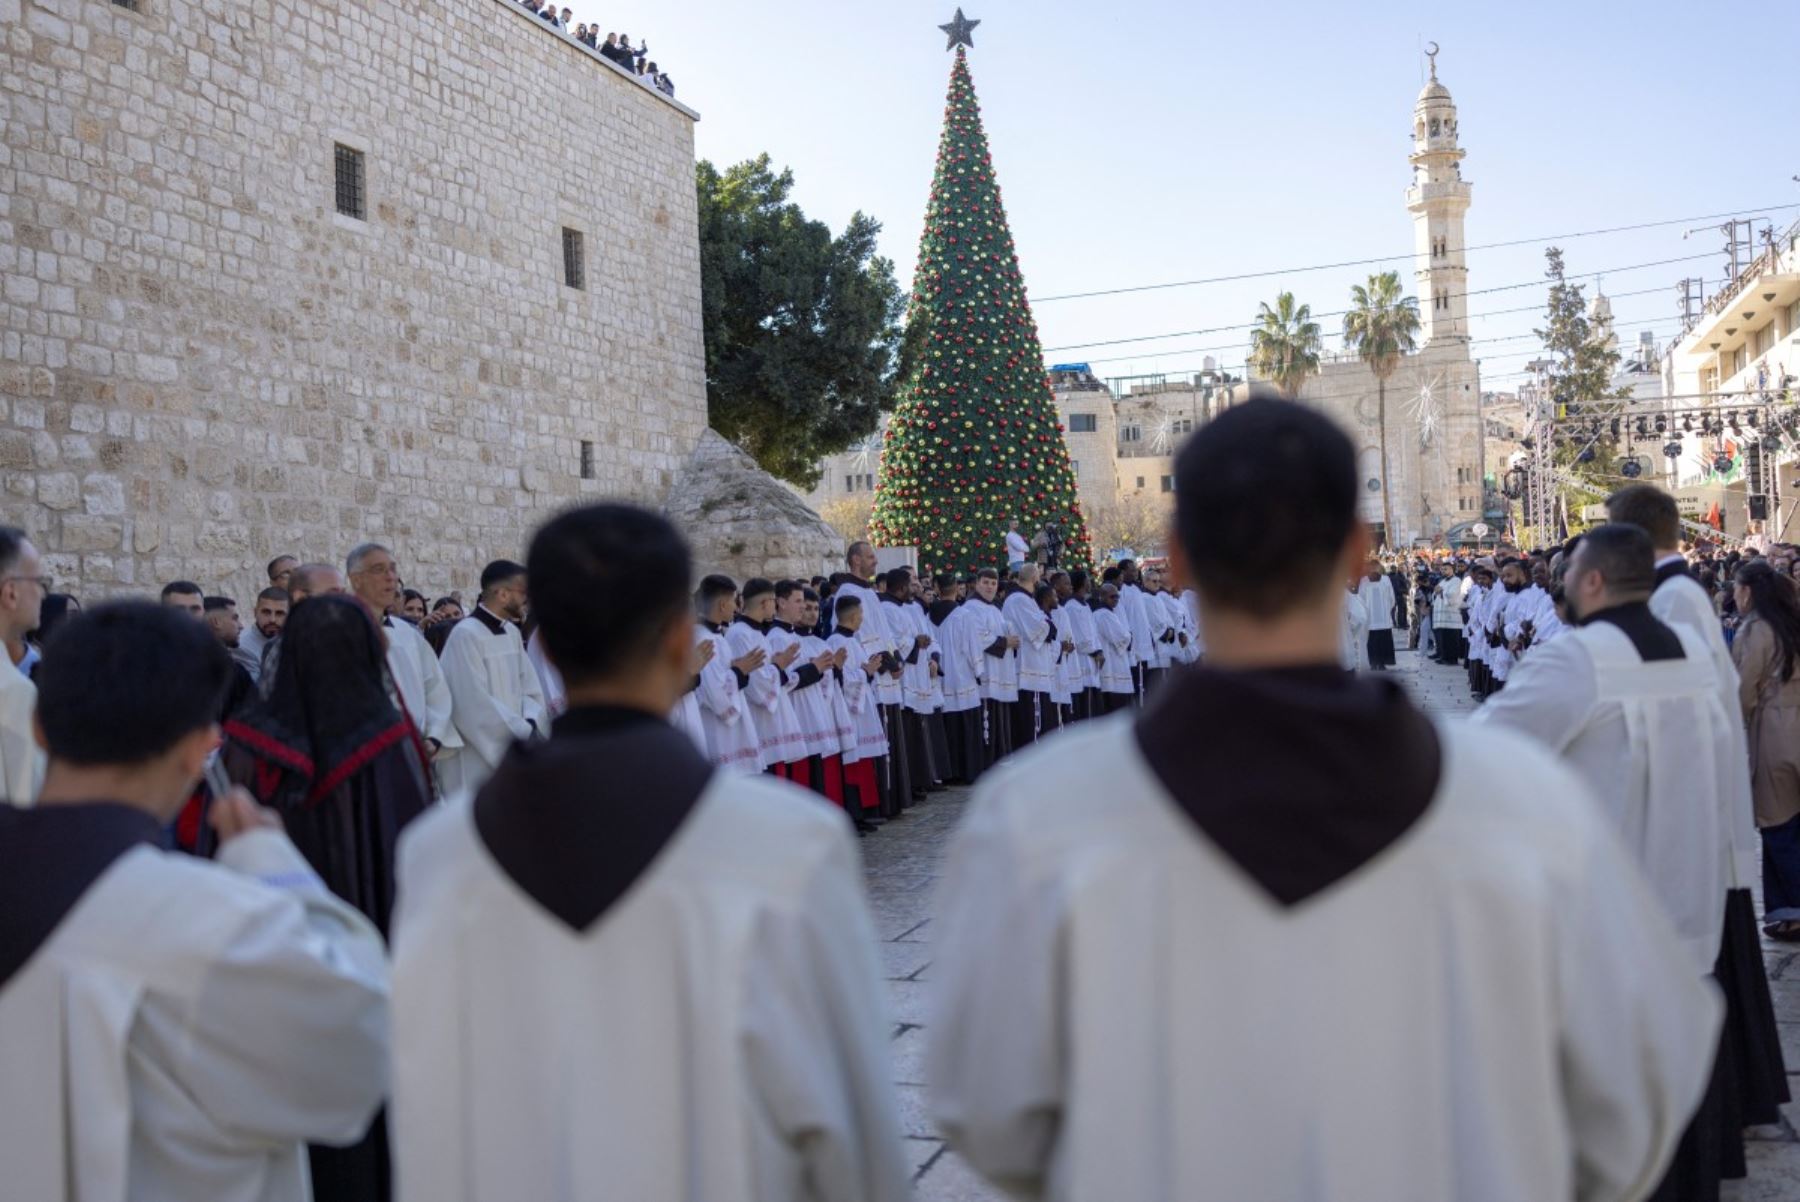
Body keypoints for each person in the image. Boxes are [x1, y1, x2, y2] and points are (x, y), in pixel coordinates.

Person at [928, 397, 1720, 1202]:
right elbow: (1644, 1073)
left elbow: (988, 1111)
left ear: (1178, 559)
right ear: (1358, 556)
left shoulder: (1038, 818)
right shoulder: (1527, 807)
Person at [390, 506, 911, 1202]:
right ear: (677, 639)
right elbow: (854, 1137)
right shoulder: (789, 846)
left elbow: (425, 1115)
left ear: (545, 649)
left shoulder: (438, 857)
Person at [0, 602, 389, 1202]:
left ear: (40, 728)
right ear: (200, 747)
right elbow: (360, 1047)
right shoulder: (219, 922)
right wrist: (273, 867)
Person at [1476, 524, 1771, 1198]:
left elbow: (1483, 756)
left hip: (1604, 926)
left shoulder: (1576, 660)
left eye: (1566, 570)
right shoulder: (1699, 654)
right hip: (1694, 909)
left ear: (1593, 580)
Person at [347, 544, 460, 784]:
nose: (390, 577)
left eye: (393, 569)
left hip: (415, 754)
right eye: (379, 569)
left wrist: (434, 737)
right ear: (355, 579)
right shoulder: (340, 632)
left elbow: (435, 688)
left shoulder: (408, 635)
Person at [1731, 561, 1800, 940]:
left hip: (1776, 730)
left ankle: (1793, 910)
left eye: (1738, 590)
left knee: (1778, 823)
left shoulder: (1758, 630)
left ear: (1749, 592)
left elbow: (1744, 687)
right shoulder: (1792, 621)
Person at [439, 559, 547, 797]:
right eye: (523, 592)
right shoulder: (465, 635)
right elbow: (472, 703)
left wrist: (530, 721)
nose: (527, 599)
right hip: (478, 754)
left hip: (515, 744)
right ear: (502, 594)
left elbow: (529, 687)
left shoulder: (511, 632)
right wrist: (519, 730)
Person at [0, 528, 45, 805]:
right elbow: (23, 809)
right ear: (10, 593)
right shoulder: (12, 691)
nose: (42, 594)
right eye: (39, 582)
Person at [240, 584, 289, 678]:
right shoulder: (242, 646)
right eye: (266, 612)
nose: (272, 619)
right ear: (255, 613)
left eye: (280, 613)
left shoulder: (293, 639)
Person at [1360, 559, 1396, 670]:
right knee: (1372, 641)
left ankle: (1382, 662)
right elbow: (1361, 598)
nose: (1374, 569)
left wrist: (1387, 610)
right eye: (1372, 567)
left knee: (1383, 641)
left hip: (1383, 618)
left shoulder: (1386, 579)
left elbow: (1391, 597)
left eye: (1376, 567)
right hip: (1370, 618)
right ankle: (1373, 662)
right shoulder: (1364, 581)